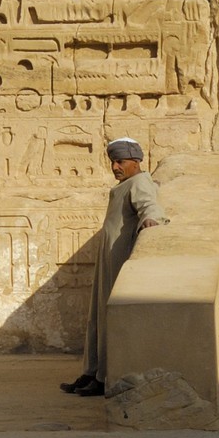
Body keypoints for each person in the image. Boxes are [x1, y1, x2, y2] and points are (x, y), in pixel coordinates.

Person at [61, 139, 168, 398]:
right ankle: (91, 372)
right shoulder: (123, 186)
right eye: (113, 161)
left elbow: (149, 205)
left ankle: (102, 377)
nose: (115, 166)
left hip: (119, 262)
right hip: (108, 260)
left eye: (120, 161)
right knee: (96, 317)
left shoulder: (140, 182)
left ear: (136, 162)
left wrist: (152, 220)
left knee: (108, 318)